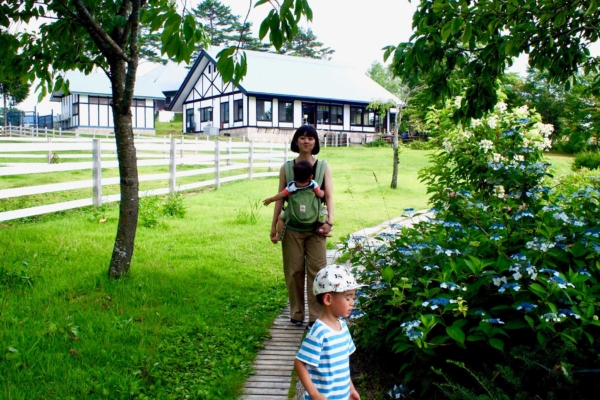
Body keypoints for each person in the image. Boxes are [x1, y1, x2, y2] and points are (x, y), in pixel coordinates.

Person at [270, 125, 334, 327]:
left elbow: (329, 196)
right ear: (296, 141)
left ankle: (316, 317)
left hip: (316, 229)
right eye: (302, 137)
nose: (306, 141)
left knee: (317, 271)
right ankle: (296, 314)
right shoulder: (286, 168)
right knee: (293, 272)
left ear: (316, 142)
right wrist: (274, 227)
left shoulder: (323, 167)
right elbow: (280, 199)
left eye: (311, 138)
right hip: (292, 229)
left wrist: (330, 222)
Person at [295, 264, 361, 400]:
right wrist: (314, 394)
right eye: (348, 298)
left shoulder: (343, 327)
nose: (352, 303)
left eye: (353, 298)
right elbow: (300, 363)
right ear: (328, 299)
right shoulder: (319, 332)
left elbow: (342, 366)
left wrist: (351, 388)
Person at [263, 160, 325, 241]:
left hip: (294, 217)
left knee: (281, 218)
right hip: (312, 216)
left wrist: (270, 200)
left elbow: (281, 194)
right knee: (323, 214)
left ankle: (279, 236)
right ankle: (324, 231)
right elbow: (320, 194)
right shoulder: (313, 184)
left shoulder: (292, 186)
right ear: (311, 176)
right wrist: (323, 191)